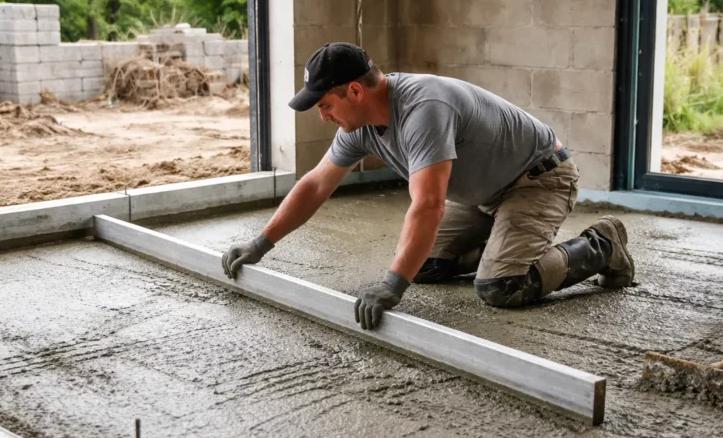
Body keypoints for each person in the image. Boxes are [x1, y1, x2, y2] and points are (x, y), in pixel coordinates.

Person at [222, 42, 634, 331]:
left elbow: (428, 206)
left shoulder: (423, 108)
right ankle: (507, 236)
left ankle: (603, 243)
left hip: (538, 181)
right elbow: (315, 185)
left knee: (500, 286)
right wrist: (259, 245)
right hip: (484, 195)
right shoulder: (361, 126)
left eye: (325, 104)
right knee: (426, 265)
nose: (323, 116)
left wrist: (390, 286)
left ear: (354, 90)